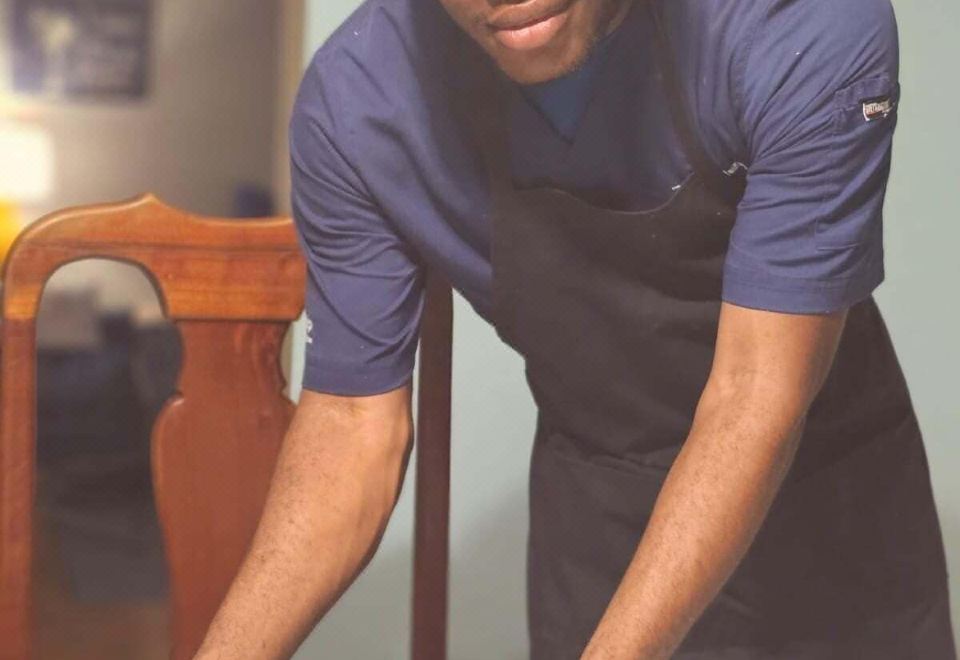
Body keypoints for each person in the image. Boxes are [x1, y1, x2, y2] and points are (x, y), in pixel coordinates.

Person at [195, 0, 955, 657]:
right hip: (598, 516)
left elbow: (753, 398)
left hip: (829, 521)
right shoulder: (359, 101)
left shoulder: (796, 27)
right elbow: (351, 425)